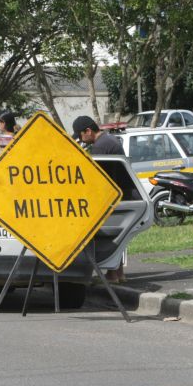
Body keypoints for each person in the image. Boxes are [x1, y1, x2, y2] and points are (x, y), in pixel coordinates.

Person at [71, 115, 126, 283]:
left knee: (106, 237)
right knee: (117, 236)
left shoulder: (100, 147)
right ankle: (119, 274)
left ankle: (111, 275)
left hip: (108, 198)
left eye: (80, 135)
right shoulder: (110, 141)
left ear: (88, 131)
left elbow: (96, 178)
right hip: (120, 194)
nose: (81, 139)